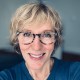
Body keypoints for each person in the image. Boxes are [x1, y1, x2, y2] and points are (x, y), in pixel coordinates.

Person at [0, 2, 80, 80]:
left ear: (55, 39)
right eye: (27, 34)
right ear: (17, 38)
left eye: (46, 35)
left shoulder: (75, 72)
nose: (36, 47)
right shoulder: (6, 77)